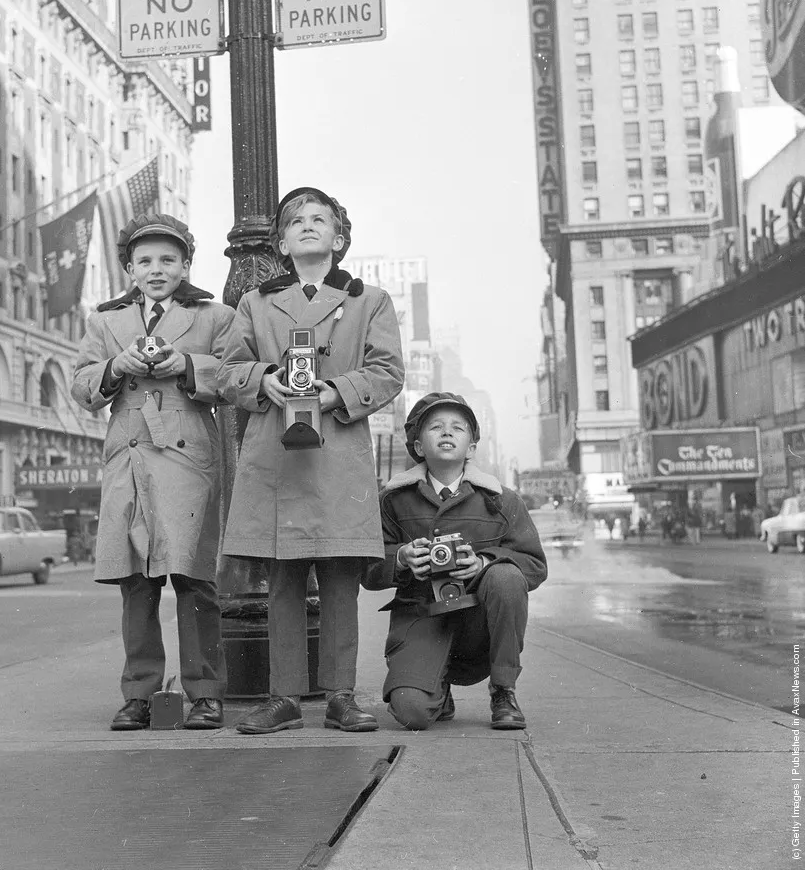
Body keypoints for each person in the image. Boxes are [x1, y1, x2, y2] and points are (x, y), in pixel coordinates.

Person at [218, 187, 405, 734]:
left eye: (319, 219)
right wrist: (265, 380)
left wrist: (334, 393)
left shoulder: (370, 300)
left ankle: (341, 694)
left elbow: (388, 371)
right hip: (275, 453)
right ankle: (284, 697)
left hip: (337, 451)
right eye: (295, 220)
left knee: (340, 577)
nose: (306, 226)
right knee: (282, 577)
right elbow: (230, 370)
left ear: (338, 238)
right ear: (280, 241)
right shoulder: (254, 304)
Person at [71, 213, 235, 732]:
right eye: (145, 261)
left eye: (168, 259)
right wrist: (115, 368)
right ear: (130, 269)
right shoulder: (104, 321)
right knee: (134, 581)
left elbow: (234, 375)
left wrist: (184, 366)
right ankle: (138, 694)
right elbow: (80, 386)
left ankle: (205, 694)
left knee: (194, 577)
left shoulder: (214, 316)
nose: (157, 269)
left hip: (189, 456)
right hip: (130, 455)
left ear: (186, 264)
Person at [362, 393, 547, 731]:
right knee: (412, 712)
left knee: (506, 577)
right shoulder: (392, 501)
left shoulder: (500, 500)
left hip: (477, 624)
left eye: (457, 428)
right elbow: (368, 572)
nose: (447, 433)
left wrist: (483, 563)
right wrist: (401, 559)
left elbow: (534, 565)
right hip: (421, 618)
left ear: (472, 447)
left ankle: (503, 690)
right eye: (436, 427)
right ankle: (436, 691)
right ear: (418, 446)